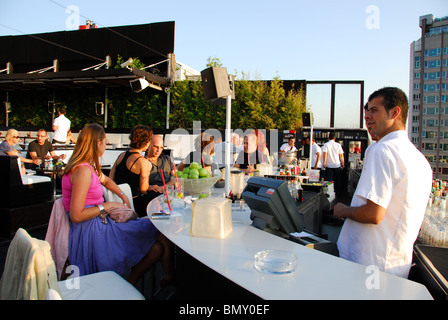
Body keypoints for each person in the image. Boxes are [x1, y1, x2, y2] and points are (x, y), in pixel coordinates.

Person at [334, 87, 432, 278]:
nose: (367, 117)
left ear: (395, 112)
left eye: (374, 110)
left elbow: (374, 213)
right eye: (366, 111)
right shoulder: (420, 159)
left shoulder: (381, 150)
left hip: (367, 265)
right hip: (395, 265)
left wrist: (342, 210)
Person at [61, 123, 174, 286]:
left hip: (100, 223)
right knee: (160, 227)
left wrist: (122, 195)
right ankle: (164, 278)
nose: (105, 146)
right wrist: (106, 207)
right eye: (105, 142)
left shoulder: (89, 167)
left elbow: (106, 179)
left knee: (157, 246)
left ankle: (130, 284)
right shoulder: (83, 171)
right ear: (98, 143)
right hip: (93, 231)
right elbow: (76, 215)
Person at [109, 125, 153, 217]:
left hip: (117, 200)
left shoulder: (121, 156)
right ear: (147, 142)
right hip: (133, 203)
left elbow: (110, 179)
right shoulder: (142, 162)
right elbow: (143, 189)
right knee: (158, 197)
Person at [145, 134, 176, 200]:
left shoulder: (167, 159)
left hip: (170, 193)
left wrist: (164, 187)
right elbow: (139, 185)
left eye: (161, 147)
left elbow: (175, 177)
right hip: (152, 196)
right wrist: (150, 187)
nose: (158, 150)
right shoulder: (143, 162)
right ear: (148, 145)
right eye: (155, 147)